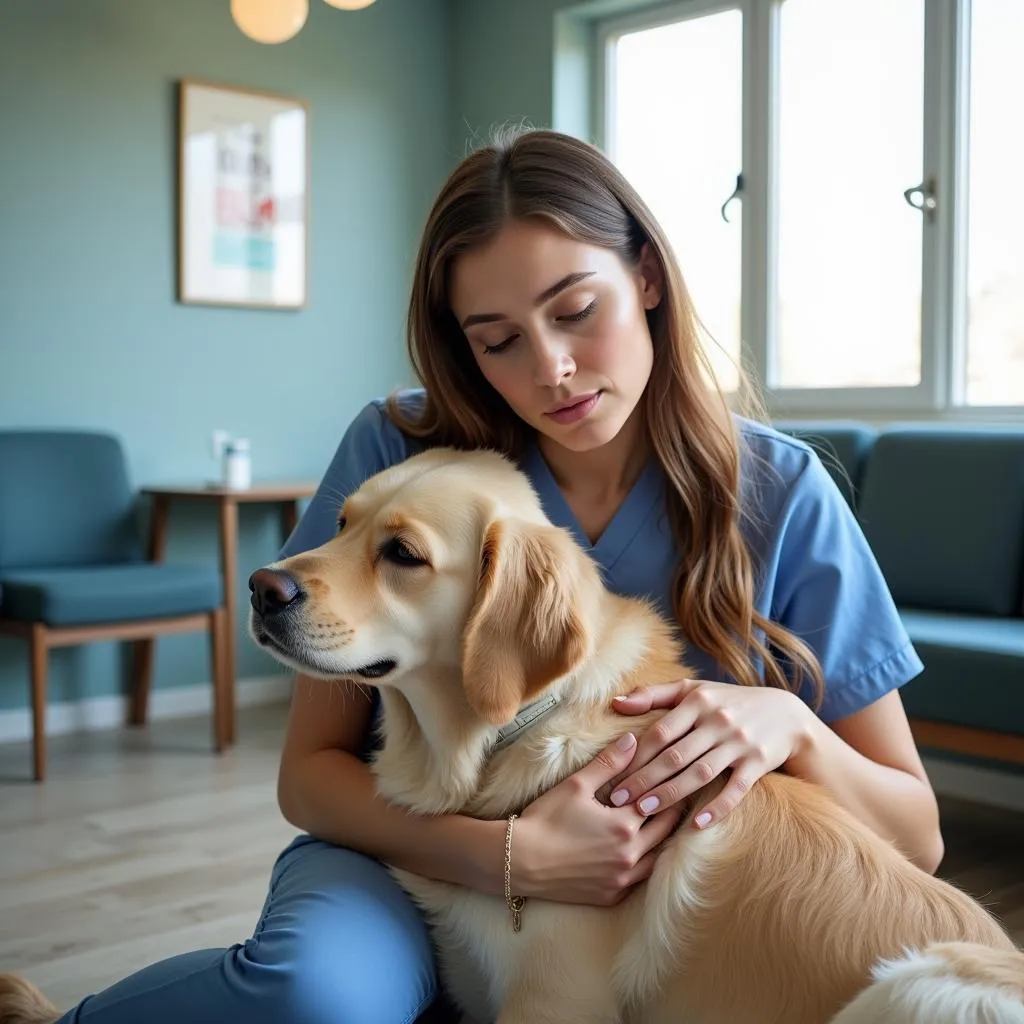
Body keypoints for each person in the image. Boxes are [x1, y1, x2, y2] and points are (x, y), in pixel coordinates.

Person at [4, 126, 943, 1024]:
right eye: (498, 340)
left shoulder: (782, 491)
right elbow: (310, 777)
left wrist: (794, 731)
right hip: (404, 849)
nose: (555, 369)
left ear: (648, 275)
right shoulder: (400, 448)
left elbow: (917, 837)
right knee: (312, 997)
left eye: (577, 310)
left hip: (632, 920)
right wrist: (507, 858)